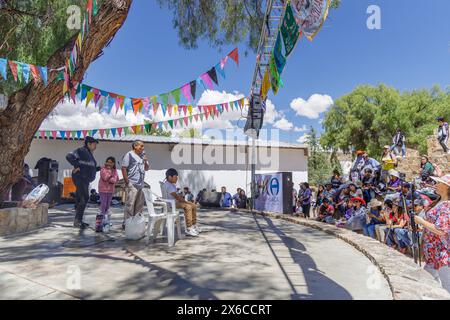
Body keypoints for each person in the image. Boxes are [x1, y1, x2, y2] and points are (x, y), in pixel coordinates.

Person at [414, 175, 450, 292]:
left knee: (446, 287)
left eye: (439, 182)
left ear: (446, 186)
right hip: (432, 252)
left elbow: (441, 230)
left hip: (442, 252)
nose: (435, 184)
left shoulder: (447, 205)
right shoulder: (439, 201)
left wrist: (421, 221)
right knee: (427, 282)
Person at [66, 136, 100, 229]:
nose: (95, 146)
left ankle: (79, 220)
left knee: (79, 199)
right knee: (84, 198)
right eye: (94, 144)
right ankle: (77, 221)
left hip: (85, 179)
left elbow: (87, 166)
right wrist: (76, 166)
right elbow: (69, 156)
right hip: (80, 178)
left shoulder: (89, 153)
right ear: (88, 144)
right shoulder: (81, 150)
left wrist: (97, 169)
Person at [121, 140, 150, 229]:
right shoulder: (129, 154)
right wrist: (127, 182)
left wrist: (145, 161)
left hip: (140, 184)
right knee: (130, 204)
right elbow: (123, 168)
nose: (143, 148)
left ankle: (136, 223)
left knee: (139, 205)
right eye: (141, 146)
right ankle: (127, 223)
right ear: (135, 146)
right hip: (132, 183)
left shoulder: (142, 156)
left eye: (143, 146)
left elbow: (147, 168)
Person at [164, 168, 199, 237]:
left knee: (193, 205)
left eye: (177, 177)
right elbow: (177, 197)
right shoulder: (168, 185)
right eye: (175, 177)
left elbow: (176, 196)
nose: (177, 179)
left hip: (175, 203)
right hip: (172, 204)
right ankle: (189, 228)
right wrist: (186, 202)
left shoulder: (170, 184)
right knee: (188, 206)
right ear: (169, 177)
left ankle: (194, 225)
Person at [97, 157, 119, 232]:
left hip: (110, 190)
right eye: (108, 162)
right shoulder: (103, 169)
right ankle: (99, 223)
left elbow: (117, 179)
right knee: (103, 205)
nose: (109, 163)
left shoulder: (114, 170)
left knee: (107, 206)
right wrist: (111, 174)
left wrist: (113, 177)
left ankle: (105, 221)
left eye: (111, 162)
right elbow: (106, 178)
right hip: (103, 189)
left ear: (114, 163)